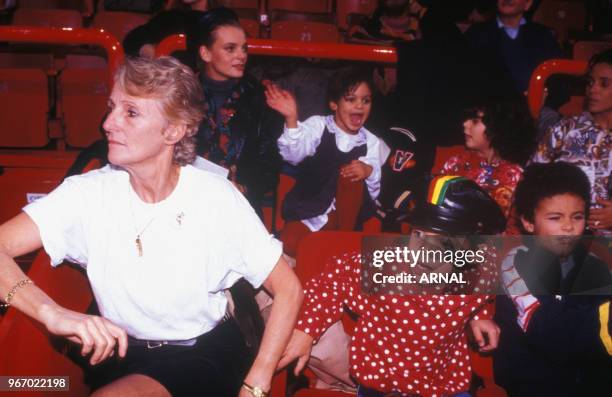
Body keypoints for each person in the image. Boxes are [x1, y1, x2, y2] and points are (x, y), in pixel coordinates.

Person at [0, 57, 302, 397]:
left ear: (172, 131)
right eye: (112, 108)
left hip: (203, 355)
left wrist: (257, 379)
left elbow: (288, 289)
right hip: (121, 355)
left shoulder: (214, 197)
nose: (109, 123)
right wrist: (50, 313)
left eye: (130, 113)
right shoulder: (86, 194)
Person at [278, 175, 506, 397]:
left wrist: (480, 315)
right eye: (418, 233)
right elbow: (331, 281)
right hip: (382, 382)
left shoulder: (480, 271)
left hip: (441, 382)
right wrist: (306, 331)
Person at [494, 162, 612, 397]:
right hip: (534, 386)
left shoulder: (595, 267)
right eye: (555, 218)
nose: (568, 227)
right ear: (528, 222)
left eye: (577, 217)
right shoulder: (515, 268)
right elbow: (552, 333)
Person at [265, 67, 390, 257]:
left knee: (351, 174)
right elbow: (293, 154)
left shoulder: (371, 142)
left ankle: (342, 246)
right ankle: (329, 252)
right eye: (351, 99)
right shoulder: (319, 125)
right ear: (334, 104)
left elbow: (373, 194)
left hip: (346, 219)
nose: (359, 106)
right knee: (290, 243)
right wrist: (291, 119)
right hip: (308, 211)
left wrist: (368, 170)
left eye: (366, 100)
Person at [189, 7, 283, 217]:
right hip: (185, 202)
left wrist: (243, 188)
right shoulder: (179, 94)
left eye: (244, 48)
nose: (241, 56)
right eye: (230, 49)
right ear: (205, 53)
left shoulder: (261, 99)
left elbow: (270, 164)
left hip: (239, 205)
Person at [530, 50, 612, 234]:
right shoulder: (565, 130)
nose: (593, 89)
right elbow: (531, 180)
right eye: (590, 82)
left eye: (604, 84)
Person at [439, 98, 536, 218]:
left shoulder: (516, 176)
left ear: (498, 127)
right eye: (467, 118)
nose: (465, 124)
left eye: (475, 121)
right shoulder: (455, 163)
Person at [465, 0, 563, 95]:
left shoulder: (543, 35)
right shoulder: (476, 34)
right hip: (489, 107)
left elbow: (558, 78)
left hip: (538, 106)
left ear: (527, 4)